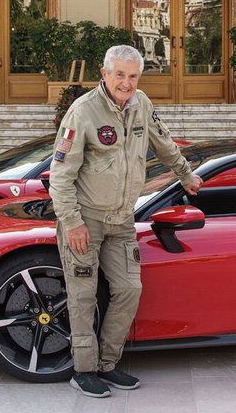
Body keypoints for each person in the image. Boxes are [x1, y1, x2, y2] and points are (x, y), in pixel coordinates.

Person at [49, 44, 202, 398]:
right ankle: (84, 370)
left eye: (133, 76)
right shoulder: (83, 112)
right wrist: (72, 222)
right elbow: (60, 174)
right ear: (104, 74)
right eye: (120, 75)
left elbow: (163, 142)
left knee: (130, 289)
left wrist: (185, 175)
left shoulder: (141, 104)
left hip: (121, 219)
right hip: (85, 218)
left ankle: (107, 364)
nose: (126, 83)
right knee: (83, 295)